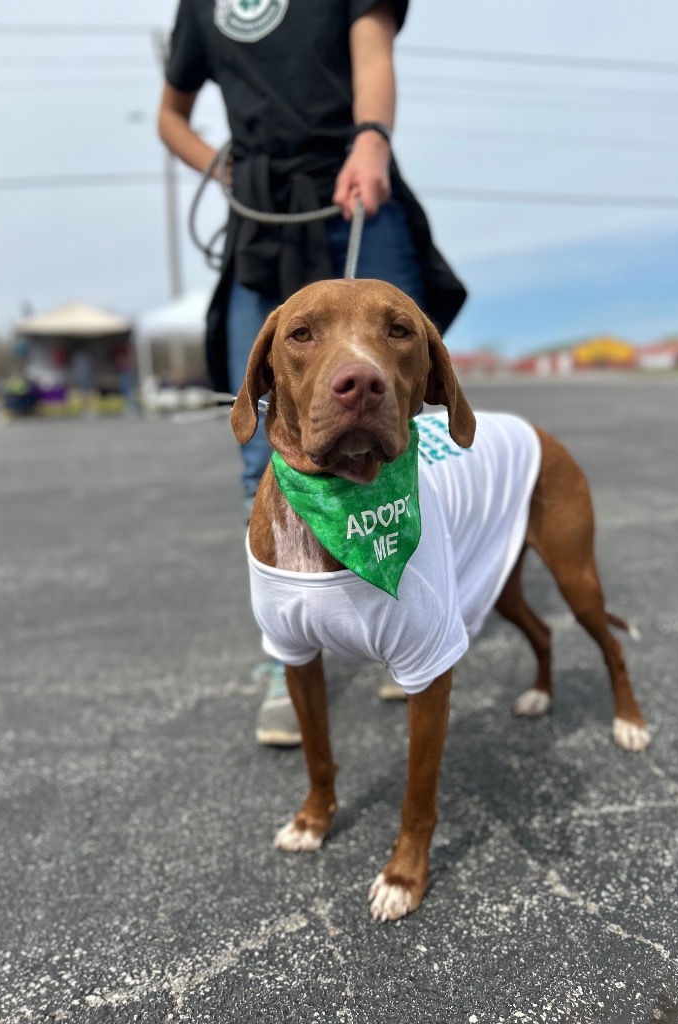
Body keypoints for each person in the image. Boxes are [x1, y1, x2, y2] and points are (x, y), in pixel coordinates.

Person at [158, 0, 466, 746]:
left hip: (354, 183)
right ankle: (288, 646)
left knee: (396, 419)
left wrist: (373, 140)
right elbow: (171, 115)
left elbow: (372, 54)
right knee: (262, 442)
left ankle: (405, 611)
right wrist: (222, 166)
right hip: (261, 212)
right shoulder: (202, 7)